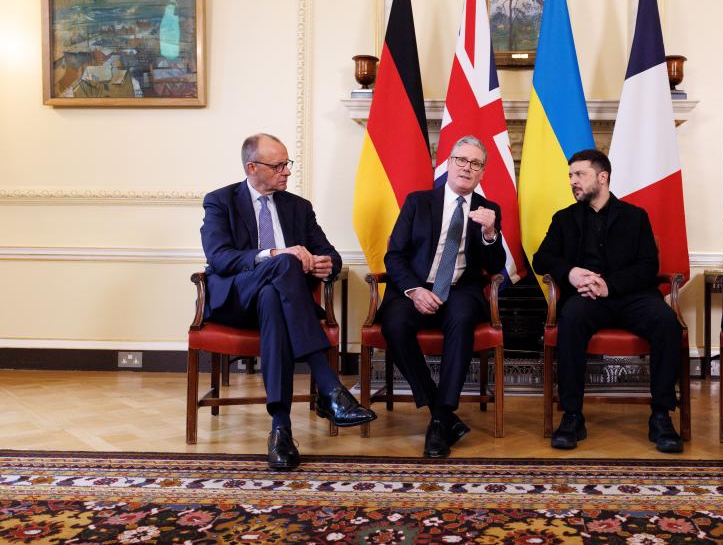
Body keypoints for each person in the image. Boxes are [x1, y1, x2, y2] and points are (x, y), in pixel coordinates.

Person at [200, 133, 375, 471]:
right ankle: (330, 389)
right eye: (278, 166)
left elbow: (331, 254)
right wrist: (275, 254)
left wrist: (326, 265)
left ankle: (281, 430)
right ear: (252, 167)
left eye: (287, 164)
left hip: (278, 305)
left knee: (272, 297)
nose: (287, 172)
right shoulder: (220, 201)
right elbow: (219, 258)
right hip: (236, 301)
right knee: (284, 263)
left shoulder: (298, 207)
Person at [532, 149, 684, 454]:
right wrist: (571, 273)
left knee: (667, 323)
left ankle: (661, 415)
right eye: (570, 175)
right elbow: (541, 259)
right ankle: (572, 415)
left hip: (632, 296)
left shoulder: (635, 216)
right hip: (586, 299)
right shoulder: (564, 219)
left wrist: (609, 286)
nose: (573, 181)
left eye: (580, 174)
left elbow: (648, 266)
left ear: (603, 177)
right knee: (570, 320)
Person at [379, 135, 506, 458]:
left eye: (475, 164)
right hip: (415, 287)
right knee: (394, 324)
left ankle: (439, 419)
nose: (467, 168)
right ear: (448, 164)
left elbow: (495, 267)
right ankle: (441, 411)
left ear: (482, 172)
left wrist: (490, 233)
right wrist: (414, 290)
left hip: (460, 289)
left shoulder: (489, 210)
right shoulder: (418, 202)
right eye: (461, 160)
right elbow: (394, 255)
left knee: (462, 319)